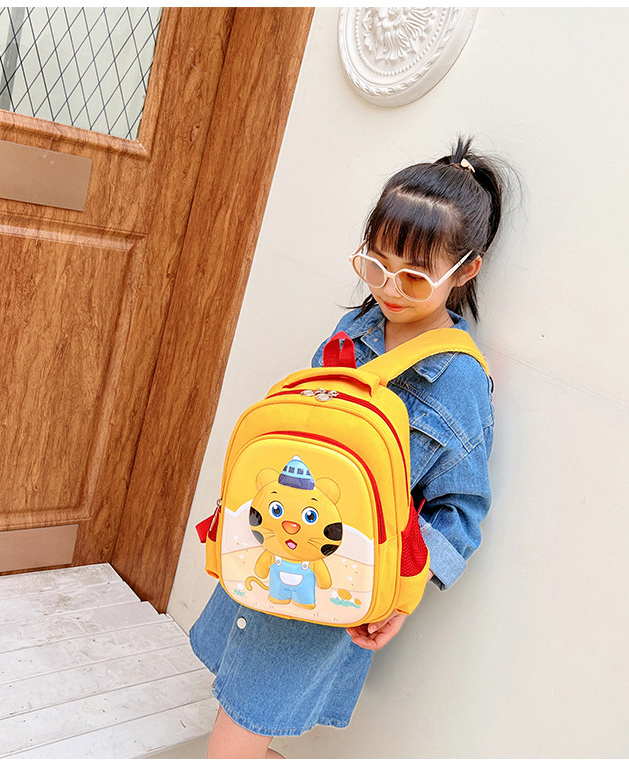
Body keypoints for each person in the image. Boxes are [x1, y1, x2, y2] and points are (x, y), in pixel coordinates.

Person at [189, 136, 506, 758]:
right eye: (376, 265)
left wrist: (404, 596)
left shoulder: (461, 380)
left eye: (414, 276)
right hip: (269, 539)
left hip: (333, 578)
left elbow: (461, 510)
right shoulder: (352, 330)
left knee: (234, 738)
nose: (390, 287)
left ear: (465, 270)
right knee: (239, 716)